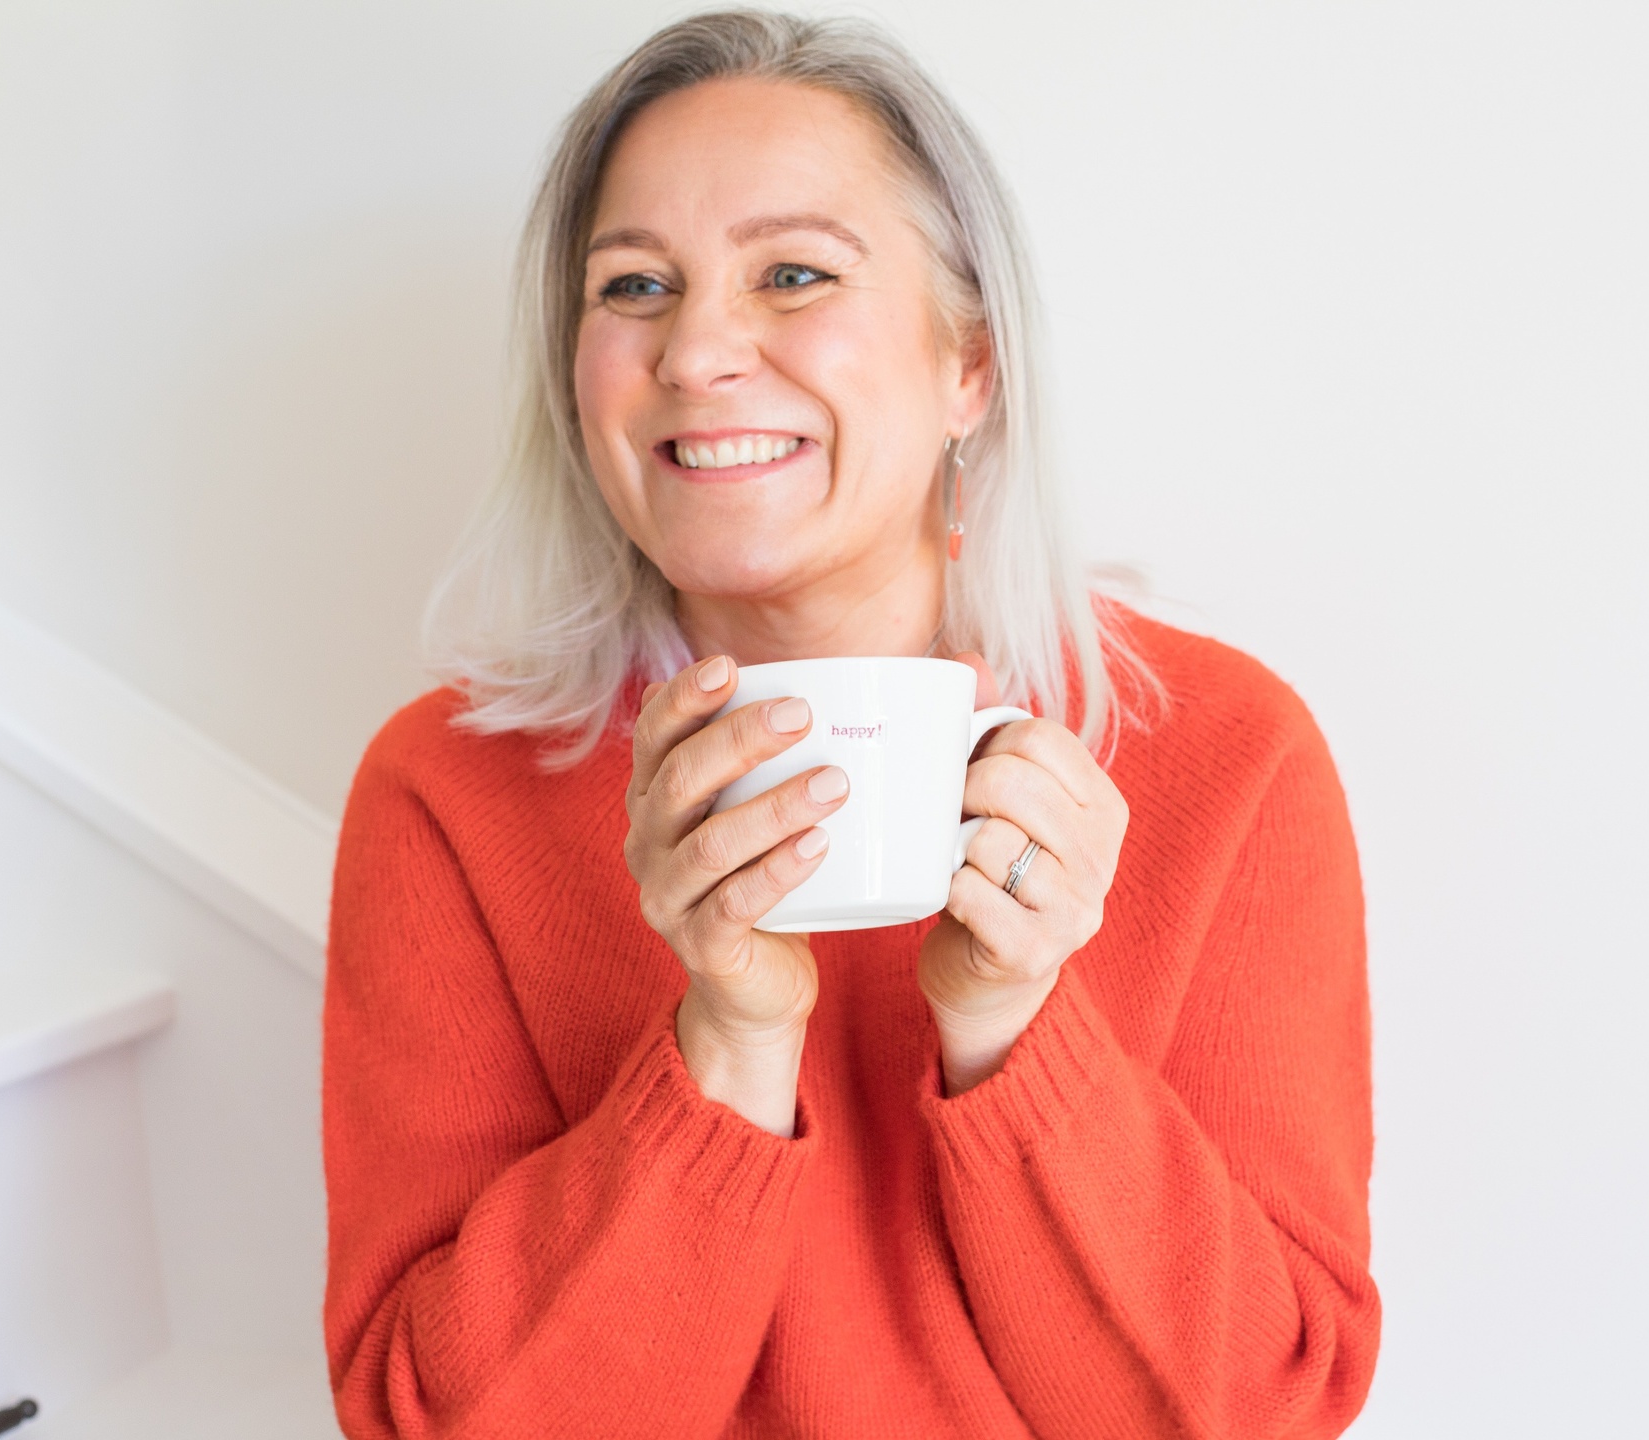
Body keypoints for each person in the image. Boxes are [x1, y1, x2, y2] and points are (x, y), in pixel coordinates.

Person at [322, 11, 1377, 1437]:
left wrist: (1013, 1030)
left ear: (970, 366)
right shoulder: (449, 792)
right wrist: (728, 1048)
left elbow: (1262, 1409)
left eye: (794, 273)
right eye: (634, 285)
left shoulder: (1229, 752)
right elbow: (428, 1421)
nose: (696, 350)